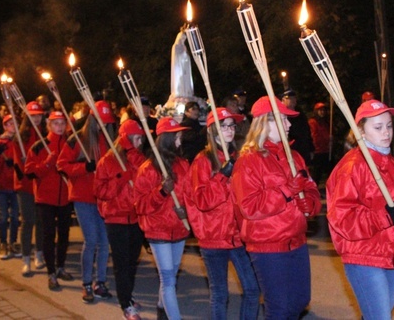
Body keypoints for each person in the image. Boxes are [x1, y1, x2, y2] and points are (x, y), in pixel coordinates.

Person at [327, 99, 394, 319]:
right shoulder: (352, 167)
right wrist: (383, 216)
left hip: (393, 253)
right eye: (377, 127)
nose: (386, 132)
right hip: (363, 256)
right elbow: (342, 219)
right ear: (361, 130)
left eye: (389, 125)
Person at [231, 96, 321, 320]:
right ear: (264, 123)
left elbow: (311, 189)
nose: (289, 125)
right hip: (268, 246)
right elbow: (249, 207)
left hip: (297, 241)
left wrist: (310, 204)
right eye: (282, 119)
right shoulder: (248, 161)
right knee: (279, 309)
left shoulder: (294, 156)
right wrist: (285, 192)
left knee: (300, 300)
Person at [187, 108, 260, 320]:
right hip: (213, 237)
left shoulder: (238, 157)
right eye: (225, 125)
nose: (229, 129)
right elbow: (202, 201)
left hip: (237, 236)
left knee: (252, 290)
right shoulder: (203, 160)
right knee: (220, 294)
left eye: (232, 125)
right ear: (213, 130)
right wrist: (222, 176)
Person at [134, 116, 191, 320]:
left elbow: (190, 194)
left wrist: (188, 211)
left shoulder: (183, 165)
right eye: (177, 136)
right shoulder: (148, 169)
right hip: (158, 230)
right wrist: (161, 192)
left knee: (171, 276)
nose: (180, 140)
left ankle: (161, 309)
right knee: (167, 279)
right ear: (167, 139)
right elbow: (140, 205)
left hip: (179, 229)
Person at [57, 102, 114, 303]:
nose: (102, 126)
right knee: (91, 241)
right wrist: (84, 167)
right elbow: (62, 164)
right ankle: (87, 282)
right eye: (99, 122)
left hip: (101, 197)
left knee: (105, 242)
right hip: (82, 197)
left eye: (105, 123)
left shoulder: (106, 139)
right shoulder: (77, 139)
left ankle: (100, 281)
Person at [94, 119, 146, 320]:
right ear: (126, 138)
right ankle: (125, 304)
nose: (140, 141)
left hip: (135, 217)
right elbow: (99, 191)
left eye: (141, 138)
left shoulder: (137, 158)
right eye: (137, 138)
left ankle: (128, 296)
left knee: (132, 261)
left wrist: (132, 154)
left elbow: (145, 174)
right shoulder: (107, 161)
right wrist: (120, 179)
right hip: (116, 219)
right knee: (122, 263)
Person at [25, 110, 73, 291]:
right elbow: (29, 172)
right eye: (56, 123)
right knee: (48, 235)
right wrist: (47, 162)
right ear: (49, 125)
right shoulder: (39, 146)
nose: (60, 127)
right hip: (45, 198)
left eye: (62, 123)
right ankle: (51, 272)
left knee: (64, 235)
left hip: (65, 198)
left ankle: (60, 267)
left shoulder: (70, 144)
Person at [16, 101, 46, 275]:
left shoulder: (43, 134)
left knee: (41, 221)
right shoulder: (21, 136)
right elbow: (18, 164)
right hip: (26, 185)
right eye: (33, 115)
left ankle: (39, 254)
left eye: (39, 115)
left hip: (40, 183)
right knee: (27, 222)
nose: (36, 118)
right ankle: (25, 257)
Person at [0, 115, 20, 259]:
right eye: (10, 124)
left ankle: (13, 242)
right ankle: (3, 242)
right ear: (5, 126)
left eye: (15, 123)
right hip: (1, 184)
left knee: (14, 216)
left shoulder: (19, 142)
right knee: (3, 216)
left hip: (15, 184)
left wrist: (15, 165)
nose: (13, 126)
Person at [281, 89, 315, 164]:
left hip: (303, 149)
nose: (293, 100)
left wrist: (311, 148)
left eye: (294, 98)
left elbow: (307, 132)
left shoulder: (300, 114)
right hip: (291, 150)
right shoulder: (281, 115)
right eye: (290, 98)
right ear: (283, 100)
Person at [308, 102, 331, 186]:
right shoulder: (313, 122)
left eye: (323, 110)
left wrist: (330, 139)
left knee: (330, 171)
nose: (322, 112)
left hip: (326, 150)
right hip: (318, 151)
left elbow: (327, 134)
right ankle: (314, 190)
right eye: (320, 110)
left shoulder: (326, 122)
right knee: (316, 173)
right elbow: (314, 137)